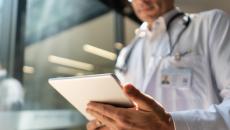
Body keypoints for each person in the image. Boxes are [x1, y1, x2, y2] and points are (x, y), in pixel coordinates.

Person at [86, 0, 230, 129]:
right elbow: (124, 111)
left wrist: (170, 124)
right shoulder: (127, 53)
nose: (140, 1)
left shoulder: (211, 24)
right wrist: (107, 121)